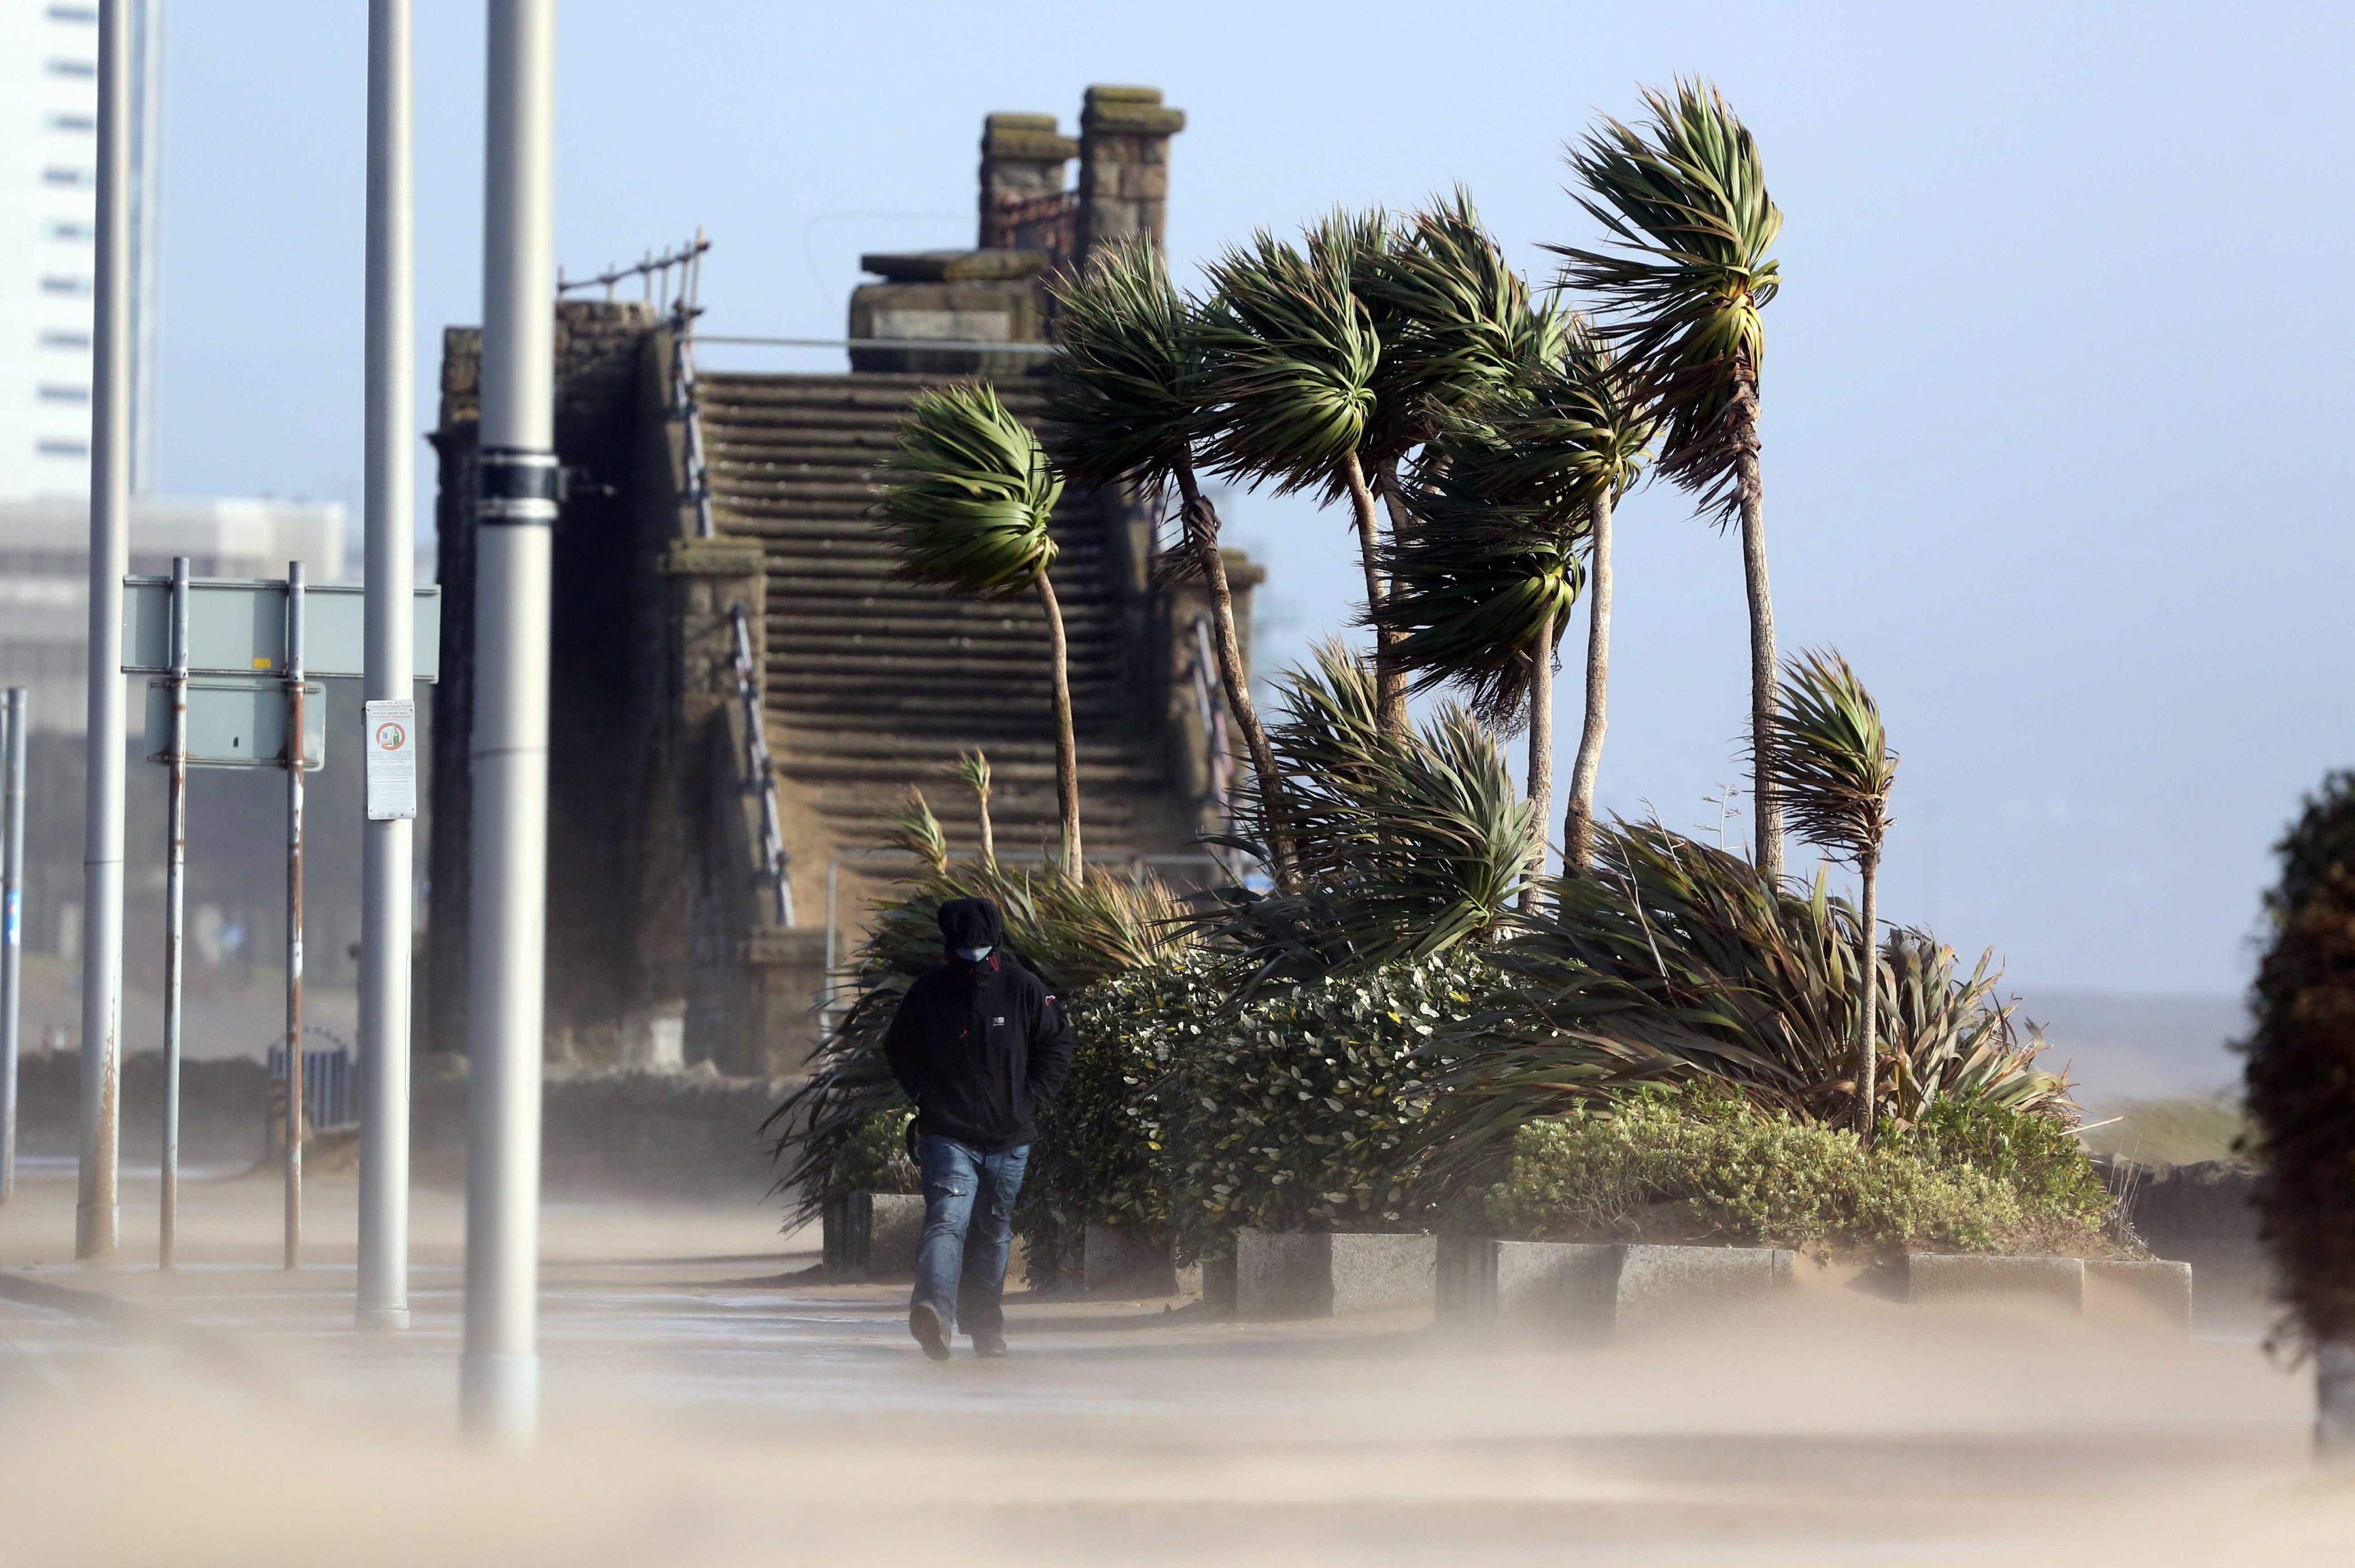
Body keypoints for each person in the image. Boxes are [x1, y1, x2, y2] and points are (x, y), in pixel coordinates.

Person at [881, 895, 1074, 1360]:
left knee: (993, 1231)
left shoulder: (1025, 989)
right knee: (947, 1221)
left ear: (996, 945)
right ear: (949, 945)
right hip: (948, 1135)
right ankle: (933, 1314)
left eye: (982, 947)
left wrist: (1032, 1099)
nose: (974, 953)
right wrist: (926, 1095)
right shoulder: (928, 994)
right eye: (965, 946)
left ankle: (986, 1328)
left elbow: (1058, 1044)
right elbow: (899, 1048)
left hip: (1011, 1140)